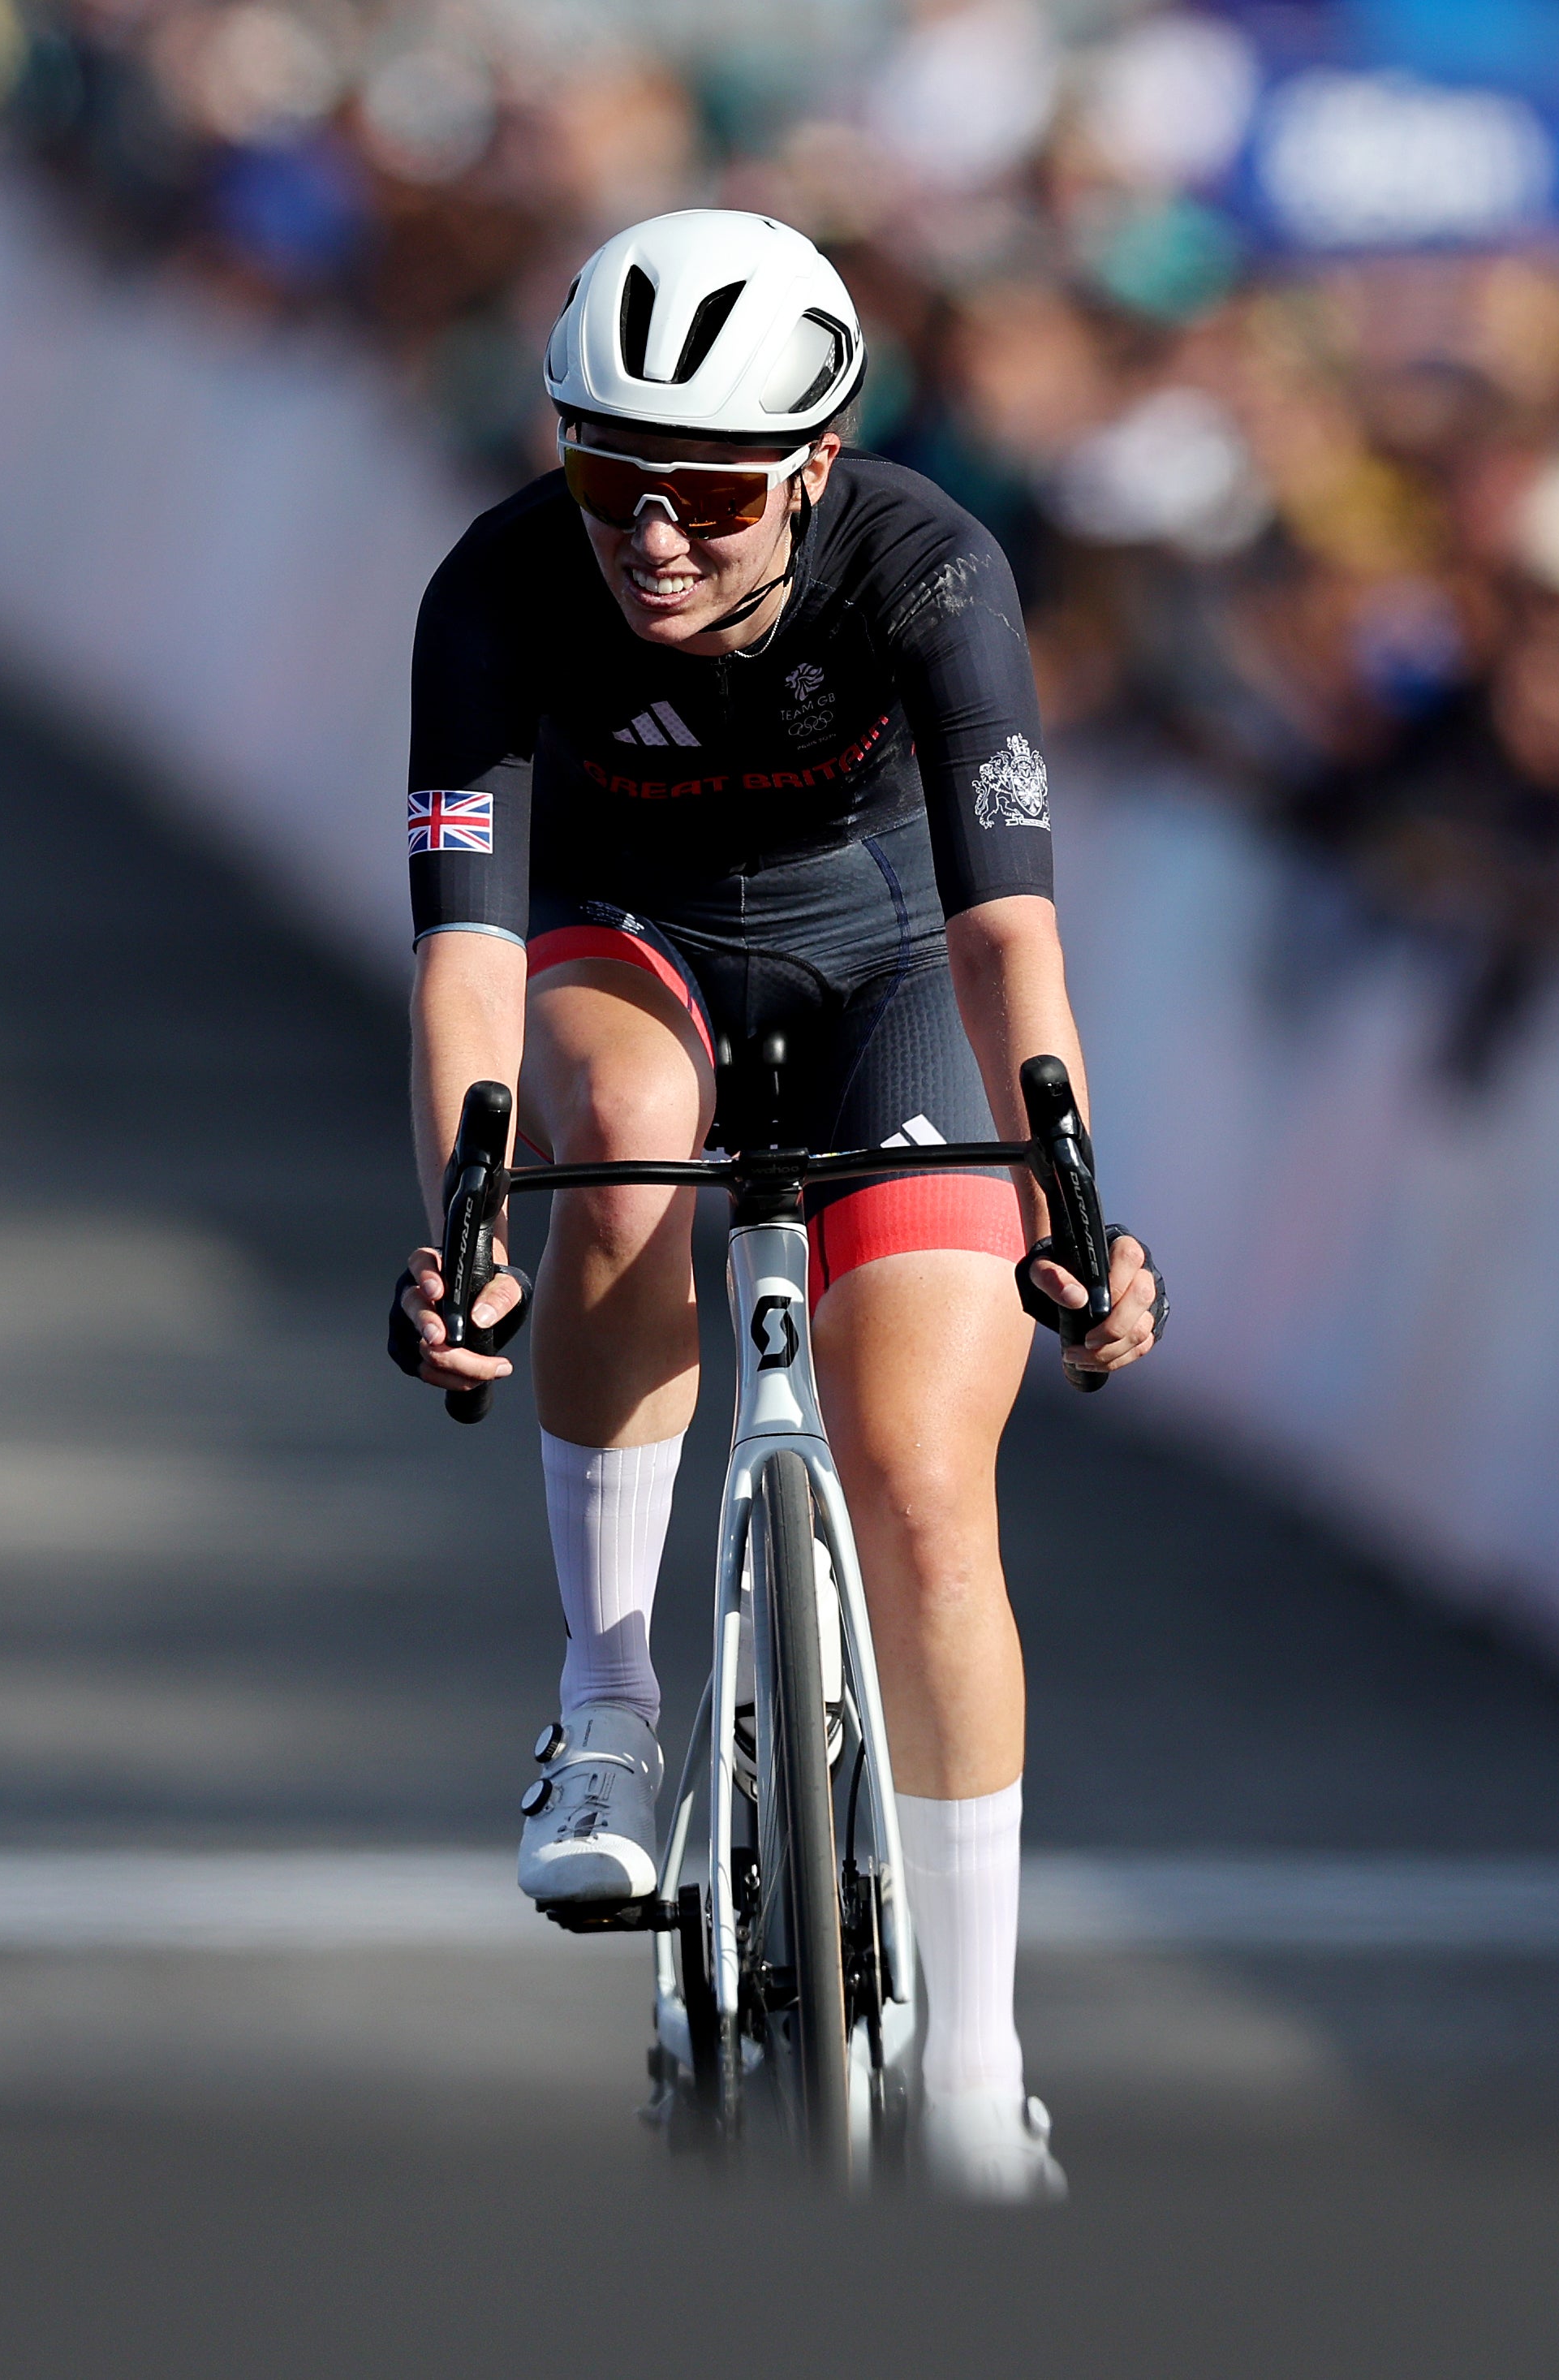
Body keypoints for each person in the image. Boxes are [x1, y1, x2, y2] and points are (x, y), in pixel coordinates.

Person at [391, 212, 1163, 2201]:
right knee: (615, 1135)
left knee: (914, 1468)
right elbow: (468, 975)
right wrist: (464, 1226)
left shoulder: (927, 565)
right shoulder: (491, 589)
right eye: (605, 472)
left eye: (709, 492)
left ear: (811, 467)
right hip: (623, 950)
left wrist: (1068, 1190)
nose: (650, 533)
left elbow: (1005, 934)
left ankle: (979, 2061)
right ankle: (608, 1702)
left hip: (893, 967)